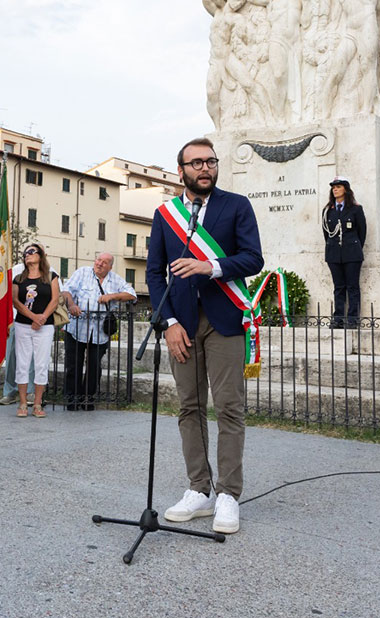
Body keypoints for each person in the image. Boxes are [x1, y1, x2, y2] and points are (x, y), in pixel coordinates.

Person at [148, 137, 264, 534]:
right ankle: (199, 488)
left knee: (229, 407)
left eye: (210, 162)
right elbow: (154, 272)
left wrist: (209, 267)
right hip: (181, 321)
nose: (205, 169)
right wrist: (168, 324)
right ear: (180, 170)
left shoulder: (237, 206)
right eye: (196, 163)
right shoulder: (166, 214)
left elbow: (253, 258)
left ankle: (228, 494)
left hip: (225, 319)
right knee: (190, 407)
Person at [61, 252, 136, 411]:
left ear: (110, 266)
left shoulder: (115, 279)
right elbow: (66, 291)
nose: (100, 263)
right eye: (98, 260)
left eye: (105, 262)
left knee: (94, 366)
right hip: (76, 327)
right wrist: (72, 305)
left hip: (100, 332)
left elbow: (132, 294)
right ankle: (72, 398)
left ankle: (88, 398)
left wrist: (112, 296)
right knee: (73, 365)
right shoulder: (82, 272)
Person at [12, 243, 61, 418]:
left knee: (41, 364)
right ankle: (23, 402)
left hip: (45, 326)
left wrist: (41, 318)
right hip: (23, 324)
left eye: (31, 251)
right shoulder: (18, 278)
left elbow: (55, 300)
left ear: (41, 255)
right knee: (22, 364)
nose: (27, 255)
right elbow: (16, 301)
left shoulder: (51, 276)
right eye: (25, 253)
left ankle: (38, 403)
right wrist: (33, 317)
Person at [322, 176, 367, 329]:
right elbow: (326, 233)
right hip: (334, 253)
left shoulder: (355, 209)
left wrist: (353, 247)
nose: (335, 189)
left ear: (346, 190)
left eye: (339, 187)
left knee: (352, 287)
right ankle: (338, 318)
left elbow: (362, 232)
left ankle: (353, 319)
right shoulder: (328, 210)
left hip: (352, 253)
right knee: (338, 287)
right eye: (333, 187)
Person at [0, 261, 34, 407]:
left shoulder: (49, 272)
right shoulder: (17, 270)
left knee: (33, 358)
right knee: (11, 356)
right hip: (16, 320)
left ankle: (31, 392)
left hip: (38, 322)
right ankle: (9, 392)